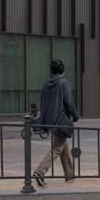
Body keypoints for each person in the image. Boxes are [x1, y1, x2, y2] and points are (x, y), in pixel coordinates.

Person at [32, 59, 80, 187]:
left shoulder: (46, 84)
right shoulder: (63, 83)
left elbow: (43, 103)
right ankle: (40, 172)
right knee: (58, 148)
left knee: (62, 146)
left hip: (49, 121)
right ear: (63, 70)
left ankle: (70, 175)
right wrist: (75, 116)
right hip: (60, 121)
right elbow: (69, 102)